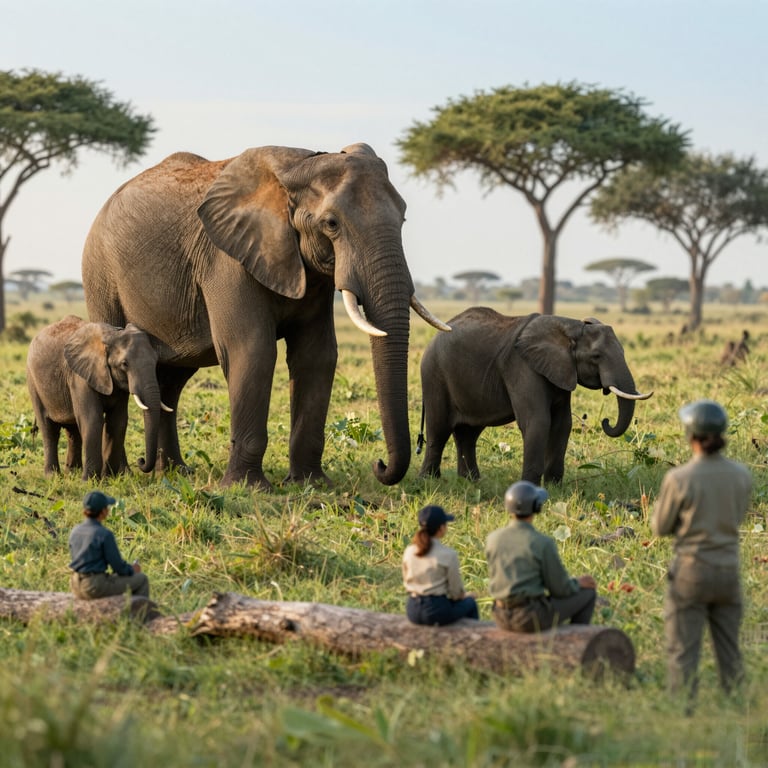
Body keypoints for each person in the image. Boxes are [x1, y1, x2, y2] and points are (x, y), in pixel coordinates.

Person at [651, 399, 751, 699]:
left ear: (691, 435)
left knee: (683, 649)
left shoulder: (679, 478)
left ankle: (684, 710)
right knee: (730, 649)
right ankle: (737, 705)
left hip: (691, 570)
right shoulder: (741, 475)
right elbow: (737, 515)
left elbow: (660, 527)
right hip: (728, 569)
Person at [486, 481, 597, 632]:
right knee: (588, 594)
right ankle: (577, 638)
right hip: (529, 618)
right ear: (537, 507)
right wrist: (578, 583)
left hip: (500, 615)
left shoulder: (492, 539)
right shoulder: (542, 543)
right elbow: (560, 589)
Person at [402, 504, 479, 626]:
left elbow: (406, 580)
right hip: (436, 611)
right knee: (470, 603)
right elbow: (456, 594)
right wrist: (467, 596)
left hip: (413, 609)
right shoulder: (448, 554)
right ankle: (472, 636)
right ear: (441, 528)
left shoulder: (409, 551)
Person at [68, 490, 150, 599]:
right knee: (142, 579)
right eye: (107, 507)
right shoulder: (104, 534)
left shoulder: (75, 530)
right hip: (94, 586)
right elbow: (118, 567)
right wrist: (132, 569)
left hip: (75, 583)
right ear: (103, 512)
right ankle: (138, 609)